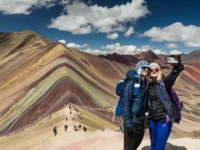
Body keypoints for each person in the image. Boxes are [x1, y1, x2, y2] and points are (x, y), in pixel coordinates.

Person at [148, 62, 184, 150]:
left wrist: (176, 69)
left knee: (159, 147)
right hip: (152, 120)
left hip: (164, 120)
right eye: (151, 69)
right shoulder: (148, 85)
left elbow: (171, 78)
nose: (153, 71)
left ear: (159, 71)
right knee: (153, 145)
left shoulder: (164, 83)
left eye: (156, 69)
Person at [122, 60, 151, 150]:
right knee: (129, 147)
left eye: (148, 68)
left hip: (140, 123)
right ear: (139, 69)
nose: (146, 70)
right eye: (144, 68)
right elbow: (126, 103)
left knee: (135, 145)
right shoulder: (131, 83)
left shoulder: (145, 83)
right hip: (132, 122)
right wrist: (129, 124)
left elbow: (145, 104)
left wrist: (146, 117)